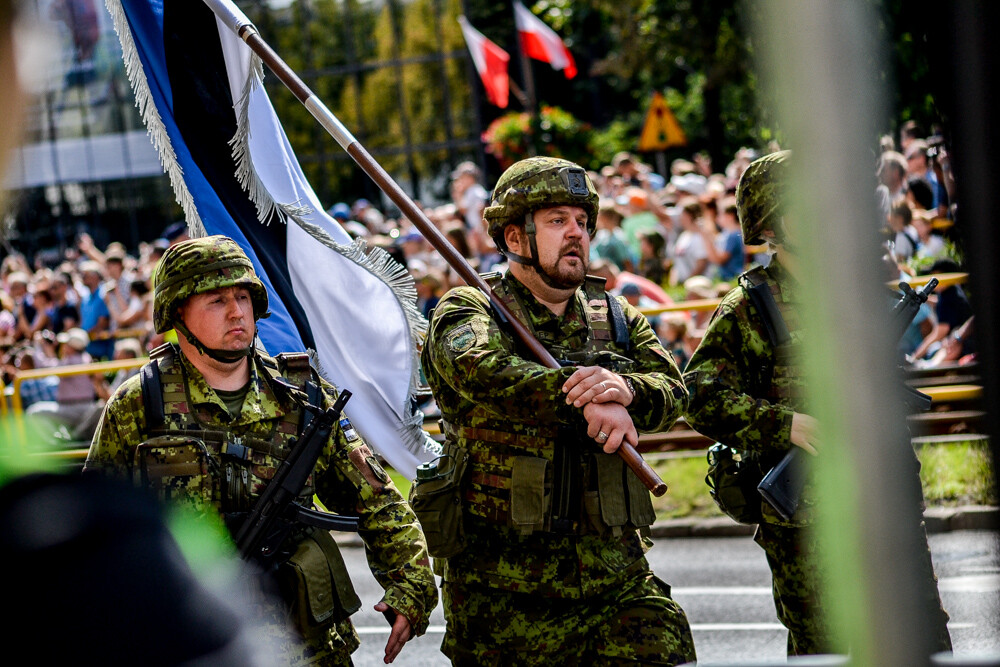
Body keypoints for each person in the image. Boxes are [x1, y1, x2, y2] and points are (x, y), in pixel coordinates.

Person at [84, 235, 437, 666]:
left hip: (309, 646)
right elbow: (92, 535)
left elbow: (378, 501)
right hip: (197, 644)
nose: (236, 312)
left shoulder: (303, 397)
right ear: (178, 313)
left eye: (243, 297)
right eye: (216, 300)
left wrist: (410, 586)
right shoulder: (139, 404)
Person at [421, 157, 696, 665]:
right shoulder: (470, 309)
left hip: (616, 579)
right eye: (556, 221)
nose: (576, 234)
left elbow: (674, 391)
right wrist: (585, 400)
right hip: (507, 595)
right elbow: (483, 372)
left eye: (582, 222)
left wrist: (625, 391)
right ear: (516, 238)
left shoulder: (613, 315)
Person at [684, 150, 952, 656]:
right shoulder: (750, 307)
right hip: (810, 523)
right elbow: (698, 396)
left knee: (923, 640)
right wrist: (786, 425)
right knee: (829, 649)